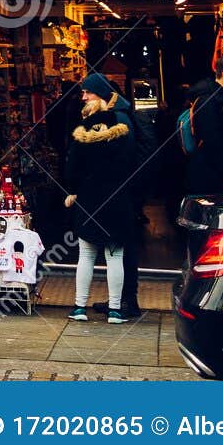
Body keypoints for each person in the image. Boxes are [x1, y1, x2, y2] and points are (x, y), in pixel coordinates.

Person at [63, 81, 139, 325]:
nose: (82, 98)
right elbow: (131, 161)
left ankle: (79, 307)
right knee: (114, 255)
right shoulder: (122, 127)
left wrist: (73, 190)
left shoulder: (82, 130)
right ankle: (115, 310)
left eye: (86, 93)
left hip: (89, 198)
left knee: (86, 254)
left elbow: (72, 166)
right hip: (118, 198)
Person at [105, 75, 156, 321]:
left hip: (124, 191)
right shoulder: (129, 115)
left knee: (122, 246)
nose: (84, 99)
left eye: (89, 95)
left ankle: (125, 301)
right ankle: (122, 298)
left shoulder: (119, 120)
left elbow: (118, 160)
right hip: (132, 190)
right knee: (123, 244)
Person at [184, 55, 223, 195]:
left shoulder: (221, 98)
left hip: (215, 173)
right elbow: (214, 143)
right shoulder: (210, 101)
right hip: (212, 176)